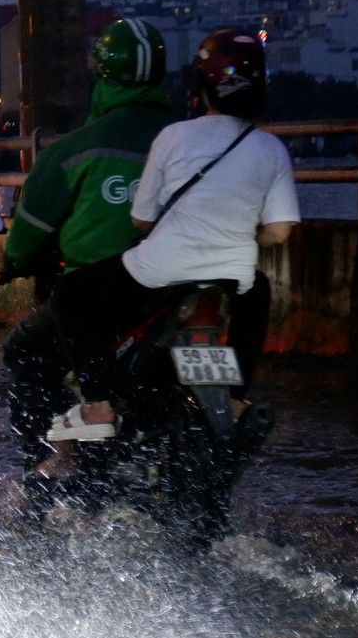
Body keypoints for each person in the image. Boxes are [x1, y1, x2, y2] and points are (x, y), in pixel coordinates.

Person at [33, 27, 298, 478]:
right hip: (231, 274)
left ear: (200, 85)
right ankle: (233, 399)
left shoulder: (174, 136)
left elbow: (140, 220)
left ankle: (97, 405)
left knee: (71, 294)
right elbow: (279, 231)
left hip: (158, 272)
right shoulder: (270, 148)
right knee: (256, 293)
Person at [0, 16, 178, 472]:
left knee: (25, 351)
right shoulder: (190, 141)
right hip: (187, 288)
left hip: (102, 298)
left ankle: (59, 459)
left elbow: (27, 234)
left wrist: (15, 261)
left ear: (101, 76)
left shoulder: (77, 149)